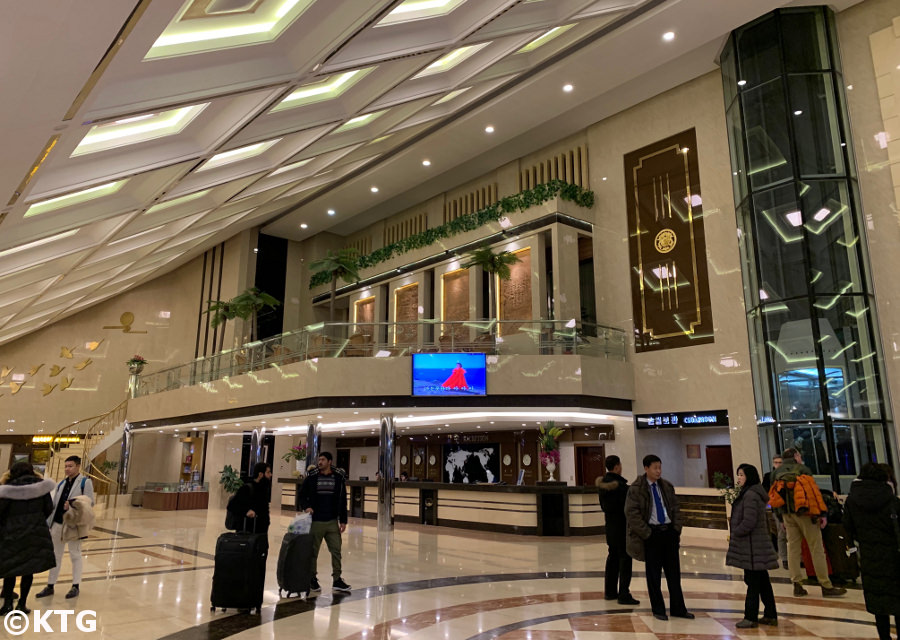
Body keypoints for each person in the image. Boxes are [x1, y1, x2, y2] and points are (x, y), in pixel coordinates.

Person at [624, 454, 693, 621]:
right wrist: (647, 533)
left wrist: (676, 530)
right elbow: (631, 514)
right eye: (655, 468)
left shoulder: (667, 486)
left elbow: (676, 509)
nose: (658, 471)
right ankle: (658, 608)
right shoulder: (636, 489)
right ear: (646, 468)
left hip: (668, 533)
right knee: (653, 576)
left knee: (674, 574)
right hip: (651, 535)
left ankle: (678, 608)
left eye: (660, 467)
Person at [771, 447, 846, 597]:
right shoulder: (803, 469)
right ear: (796, 456)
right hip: (805, 513)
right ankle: (826, 585)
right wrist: (821, 514)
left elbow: (774, 496)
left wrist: (781, 518)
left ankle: (797, 584)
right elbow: (813, 493)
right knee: (816, 548)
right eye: (799, 455)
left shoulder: (776, 473)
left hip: (787, 515)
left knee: (793, 548)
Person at [843, 463, 900, 640]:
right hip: (893, 556)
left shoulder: (852, 501)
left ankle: (884, 637)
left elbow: (848, 529)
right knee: (897, 599)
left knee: (878, 602)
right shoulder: (892, 501)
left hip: (868, 556)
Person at [726, 464, 778, 628]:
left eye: (741, 474)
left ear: (750, 476)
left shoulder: (750, 495)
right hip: (754, 545)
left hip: (752, 546)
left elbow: (749, 521)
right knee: (762, 581)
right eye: (738, 474)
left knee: (753, 582)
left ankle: (750, 617)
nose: (739, 478)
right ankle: (770, 614)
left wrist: (736, 532)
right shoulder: (753, 493)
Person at [0, 462, 56, 614]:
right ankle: (22, 605)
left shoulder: (6, 489)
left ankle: (7, 605)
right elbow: (48, 509)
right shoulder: (42, 489)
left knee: (10, 569)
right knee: (28, 571)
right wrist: (36, 521)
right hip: (34, 534)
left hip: (12, 534)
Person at [36, 455, 94, 600]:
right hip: (57, 524)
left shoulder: (85, 482)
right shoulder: (61, 483)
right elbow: (55, 504)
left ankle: (75, 585)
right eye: (66, 466)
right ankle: (50, 585)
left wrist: (73, 503)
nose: (67, 469)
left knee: (75, 554)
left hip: (73, 524)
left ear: (78, 466)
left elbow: (89, 502)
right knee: (55, 555)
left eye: (70, 466)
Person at [299, 452, 351, 595]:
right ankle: (312, 578)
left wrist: (343, 519)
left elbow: (342, 499)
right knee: (313, 552)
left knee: (336, 550)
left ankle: (337, 579)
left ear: (330, 461)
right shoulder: (312, 476)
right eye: (319, 459)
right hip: (316, 521)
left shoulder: (338, 477)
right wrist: (306, 506)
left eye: (322, 460)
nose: (319, 462)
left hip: (332, 520)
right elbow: (302, 495)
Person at [596, 455, 638, 605]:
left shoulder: (602, 486)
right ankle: (624, 593)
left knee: (612, 557)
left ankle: (610, 591)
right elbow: (627, 509)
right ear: (617, 466)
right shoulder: (622, 488)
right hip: (622, 527)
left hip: (610, 527)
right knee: (625, 559)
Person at [231, 462, 272, 535]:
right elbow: (232, 506)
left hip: (261, 531)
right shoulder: (247, 488)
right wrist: (246, 511)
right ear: (260, 474)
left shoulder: (264, 489)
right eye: (268, 472)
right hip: (247, 533)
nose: (270, 475)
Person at [762, 455, 788, 568]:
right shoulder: (769, 476)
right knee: (781, 533)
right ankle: (784, 558)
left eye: (780, 462)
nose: (778, 464)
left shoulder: (787, 476)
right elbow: (765, 491)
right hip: (776, 508)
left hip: (787, 508)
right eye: (776, 462)